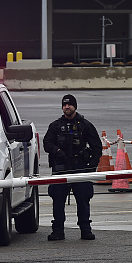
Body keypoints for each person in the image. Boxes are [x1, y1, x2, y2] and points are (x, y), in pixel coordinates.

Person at [42, 94, 102, 241]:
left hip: (79, 167)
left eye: (69, 105)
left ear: (75, 106)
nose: (66, 107)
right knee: (57, 199)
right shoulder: (55, 126)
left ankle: (85, 230)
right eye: (64, 105)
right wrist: (57, 151)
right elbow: (46, 143)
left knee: (83, 199)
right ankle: (58, 231)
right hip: (61, 168)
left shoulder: (85, 125)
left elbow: (97, 147)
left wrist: (91, 167)